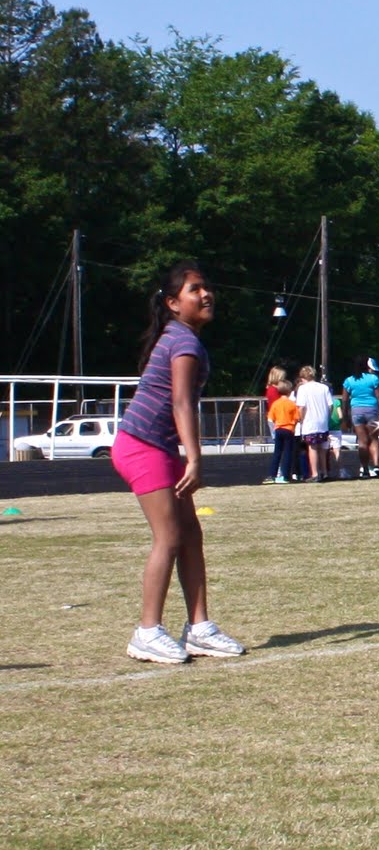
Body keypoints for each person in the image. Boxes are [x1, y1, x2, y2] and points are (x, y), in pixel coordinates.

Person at [110, 261, 245, 664]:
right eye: (194, 289)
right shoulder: (183, 342)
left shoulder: (180, 337)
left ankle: (199, 628)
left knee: (190, 534)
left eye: (207, 287)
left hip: (158, 446)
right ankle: (147, 632)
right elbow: (182, 403)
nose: (206, 294)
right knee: (168, 536)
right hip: (142, 446)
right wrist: (195, 458)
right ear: (172, 303)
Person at [342, 355, 379, 479]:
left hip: (356, 410)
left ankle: (364, 469)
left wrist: (345, 417)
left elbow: (344, 400)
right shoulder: (373, 379)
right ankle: (376, 466)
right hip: (372, 409)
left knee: (362, 441)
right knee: (374, 439)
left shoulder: (349, 380)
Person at [295, 366, 332, 482]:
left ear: (303, 378)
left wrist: (301, 420)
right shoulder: (324, 387)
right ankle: (324, 472)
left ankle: (315, 473)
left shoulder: (303, 389)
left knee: (312, 447)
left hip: (310, 421)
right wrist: (327, 417)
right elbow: (330, 405)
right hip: (323, 421)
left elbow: (301, 407)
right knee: (322, 448)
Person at [266, 380, 300, 484]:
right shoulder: (292, 404)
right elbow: (297, 418)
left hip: (278, 429)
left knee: (277, 452)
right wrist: (293, 425)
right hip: (289, 429)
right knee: (288, 452)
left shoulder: (276, 404)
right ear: (290, 391)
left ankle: (272, 475)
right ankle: (285, 475)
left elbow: (270, 418)